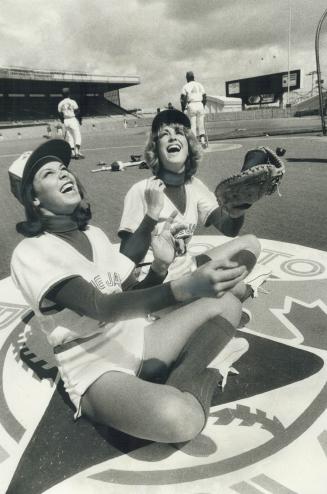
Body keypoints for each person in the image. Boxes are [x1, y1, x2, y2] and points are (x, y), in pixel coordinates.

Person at [9, 139, 260, 444]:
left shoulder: (95, 235)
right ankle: (204, 372)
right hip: (95, 367)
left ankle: (179, 378)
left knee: (228, 305)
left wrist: (159, 269)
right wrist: (184, 288)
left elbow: (130, 295)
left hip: (138, 337)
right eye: (49, 174)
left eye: (64, 169)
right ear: (34, 200)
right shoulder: (30, 251)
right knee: (183, 419)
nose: (64, 174)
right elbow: (100, 306)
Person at [119, 109, 260, 290]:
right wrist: (151, 216)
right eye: (164, 134)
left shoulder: (194, 185)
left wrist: (238, 208)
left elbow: (229, 228)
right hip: (152, 279)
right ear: (155, 149)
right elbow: (125, 259)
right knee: (237, 289)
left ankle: (213, 293)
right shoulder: (141, 190)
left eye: (179, 133)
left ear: (189, 146)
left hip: (185, 270)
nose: (173, 138)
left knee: (251, 242)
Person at [180, 71, 207, 147]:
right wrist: (203, 105)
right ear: (193, 77)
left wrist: (183, 108)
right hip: (200, 104)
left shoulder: (185, 86)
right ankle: (203, 141)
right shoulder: (200, 85)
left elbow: (183, 98)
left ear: (187, 78)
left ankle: (194, 144)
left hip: (192, 104)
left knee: (193, 125)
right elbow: (204, 97)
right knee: (201, 124)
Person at [58, 87, 84, 160]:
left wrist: (63, 120)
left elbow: (59, 113)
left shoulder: (60, 103)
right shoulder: (73, 102)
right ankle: (77, 151)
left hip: (66, 120)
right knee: (77, 135)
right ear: (69, 94)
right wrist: (79, 120)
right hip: (72, 119)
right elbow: (78, 111)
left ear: (62, 95)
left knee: (70, 136)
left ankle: (72, 152)